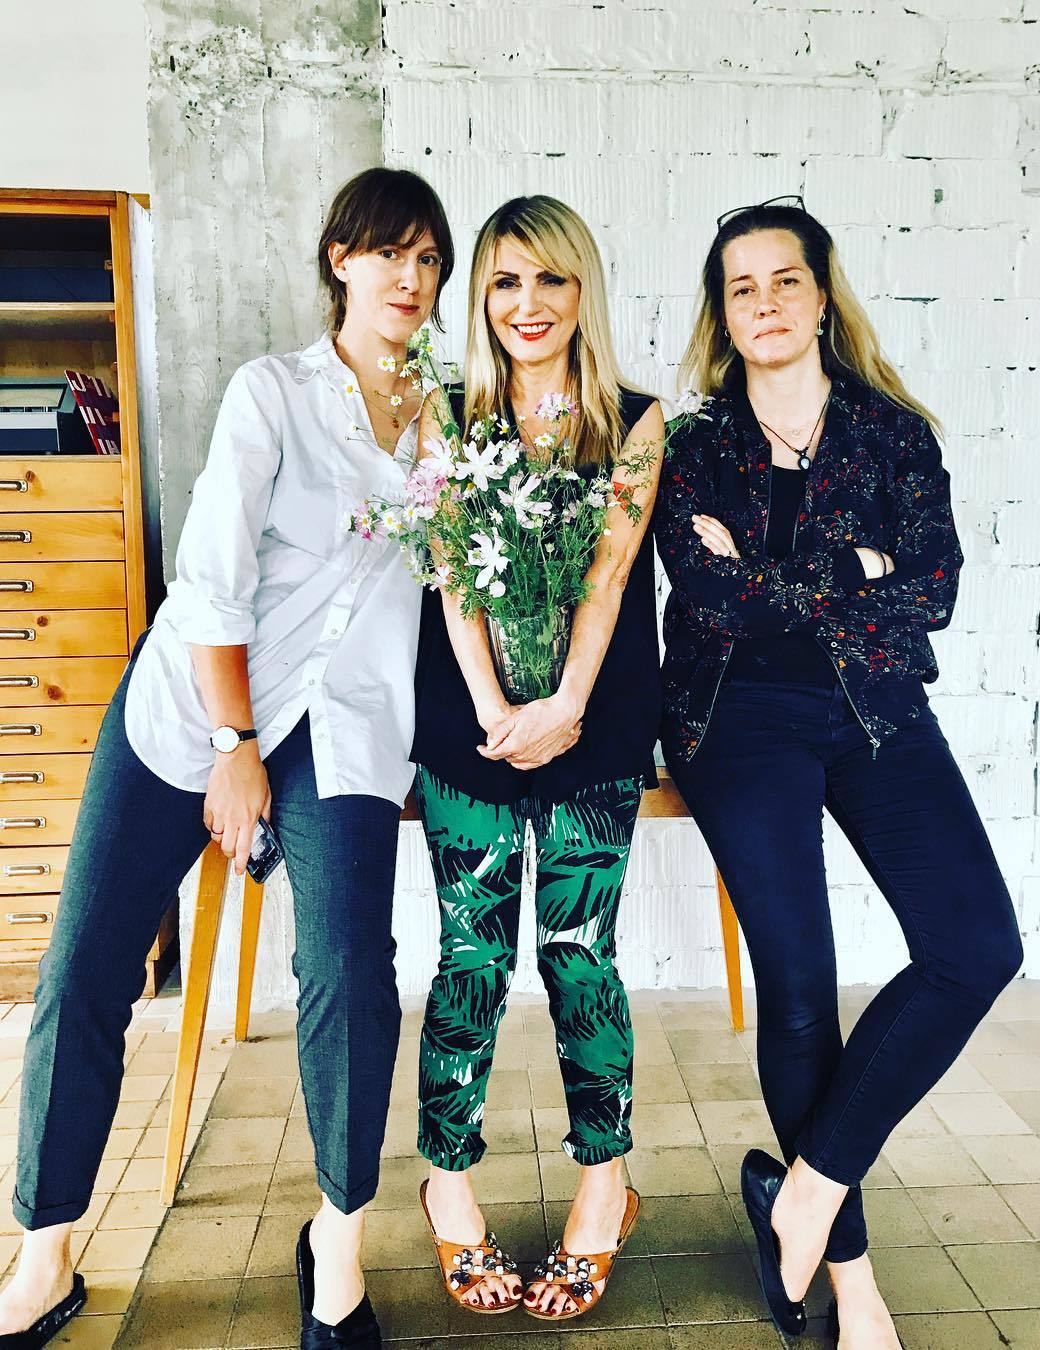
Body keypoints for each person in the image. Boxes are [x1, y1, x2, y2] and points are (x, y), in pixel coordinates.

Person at [0, 166, 453, 1350]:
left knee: (350, 970)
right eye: (389, 252)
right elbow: (209, 583)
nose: (409, 277)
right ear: (341, 259)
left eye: (428, 260)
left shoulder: (451, 429)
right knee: (86, 967)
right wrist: (233, 745)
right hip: (194, 710)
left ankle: (338, 1250)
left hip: (342, 730)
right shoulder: (272, 393)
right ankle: (44, 1255)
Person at [655, 196, 1023, 1349]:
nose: (765, 303)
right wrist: (856, 570)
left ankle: (807, 1188)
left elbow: (935, 588)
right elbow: (706, 600)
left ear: (822, 297)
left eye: (786, 281)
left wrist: (774, 573)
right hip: (734, 717)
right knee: (802, 984)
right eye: (742, 287)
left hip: (874, 707)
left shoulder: (893, 434)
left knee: (978, 947)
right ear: (723, 313)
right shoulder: (694, 448)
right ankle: (854, 1286)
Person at [410, 195, 663, 1322]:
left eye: (550, 279)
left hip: (592, 723)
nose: (527, 304)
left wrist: (563, 705)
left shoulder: (637, 422)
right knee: (472, 955)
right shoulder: (448, 417)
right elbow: (452, 579)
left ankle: (606, 1186)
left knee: (575, 954)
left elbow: (607, 578)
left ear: (581, 290)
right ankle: (447, 1185)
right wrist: (495, 711)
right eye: (505, 282)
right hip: (469, 726)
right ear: (482, 298)